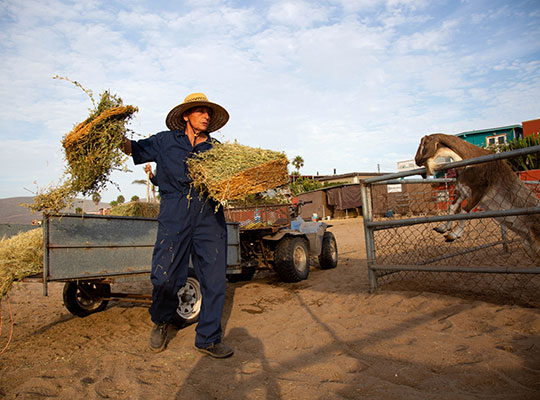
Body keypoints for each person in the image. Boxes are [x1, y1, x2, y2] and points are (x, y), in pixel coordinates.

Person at [122, 93, 233, 358]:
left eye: (208, 113)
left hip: (209, 215)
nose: (206, 116)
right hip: (174, 215)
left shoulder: (217, 150)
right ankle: (162, 322)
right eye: (200, 112)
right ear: (186, 115)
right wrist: (113, 136)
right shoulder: (165, 141)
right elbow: (133, 149)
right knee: (165, 275)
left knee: (214, 280)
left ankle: (207, 339)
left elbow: (230, 181)